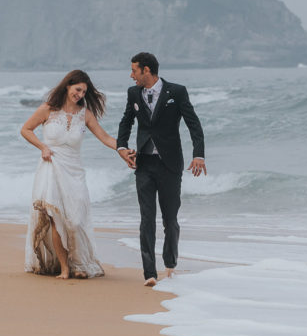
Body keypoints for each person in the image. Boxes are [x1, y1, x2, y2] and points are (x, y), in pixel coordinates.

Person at [116, 52, 206, 287]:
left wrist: (198, 155)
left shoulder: (176, 92)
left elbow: (193, 124)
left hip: (170, 164)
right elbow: (126, 121)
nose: (131, 74)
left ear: (147, 70)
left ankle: (170, 264)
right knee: (147, 218)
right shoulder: (133, 93)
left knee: (170, 219)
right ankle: (149, 273)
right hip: (144, 163)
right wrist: (122, 147)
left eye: (134, 70)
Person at [20, 70, 119, 279]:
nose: (80, 94)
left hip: (75, 171)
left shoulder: (85, 114)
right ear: (67, 86)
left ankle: (78, 263)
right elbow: (26, 129)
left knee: (75, 221)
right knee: (57, 217)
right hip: (51, 166)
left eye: (84, 91)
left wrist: (123, 149)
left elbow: (105, 137)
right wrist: (42, 147)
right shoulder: (48, 109)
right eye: (77, 89)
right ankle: (65, 268)